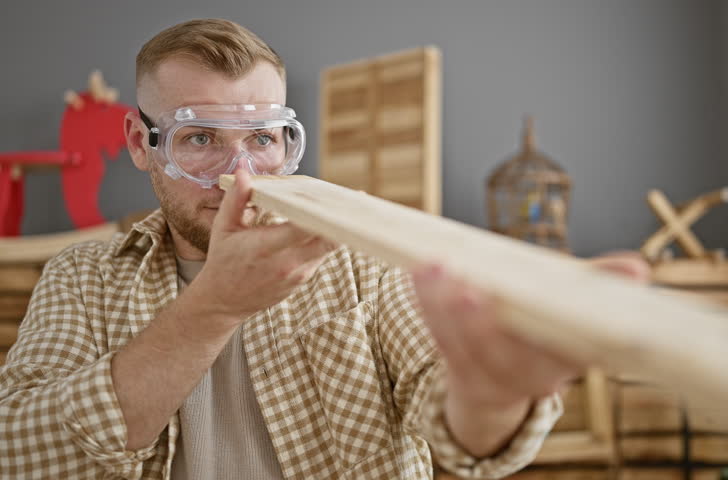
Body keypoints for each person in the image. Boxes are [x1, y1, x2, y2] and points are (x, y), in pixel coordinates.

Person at [0, 19, 649, 479]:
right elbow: (17, 455)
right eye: (199, 139)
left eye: (264, 138)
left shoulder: (360, 255)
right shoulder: (82, 277)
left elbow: (459, 428)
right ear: (141, 144)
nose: (241, 174)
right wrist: (212, 308)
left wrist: (493, 397)